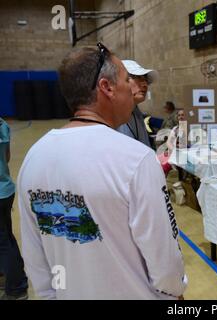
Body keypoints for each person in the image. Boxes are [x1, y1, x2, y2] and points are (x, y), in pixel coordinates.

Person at [17, 43, 187, 300]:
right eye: (127, 80)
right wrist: (174, 294)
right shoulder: (136, 159)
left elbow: (35, 258)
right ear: (106, 87)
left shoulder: (33, 159)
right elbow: (165, 264)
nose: (133, 88)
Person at [0, 118, 28, 300]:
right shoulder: (3, 124)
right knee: (6, 237)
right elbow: (7, 157)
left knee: (2, 242)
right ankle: (11, 275)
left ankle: (17, 288)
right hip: (6, 190)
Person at [117, 60, 158, 148]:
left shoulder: (136, 113)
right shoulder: (112, 116)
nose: (145, 85)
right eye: (137, 77)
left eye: (145, 80)